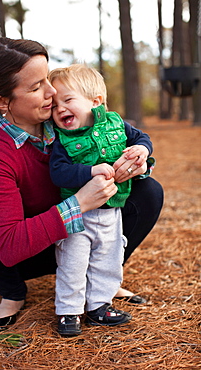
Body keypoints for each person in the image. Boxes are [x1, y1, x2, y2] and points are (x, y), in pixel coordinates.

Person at [0, 37, 163, 334]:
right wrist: (79, 204)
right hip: (32, 247)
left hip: (88, 235)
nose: (52, 91)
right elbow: (9, 246)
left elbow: (115, 140)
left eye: (47, 79)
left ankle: (102, 279)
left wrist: (135, 165)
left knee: (149, 191)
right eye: (36, 86)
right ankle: (12, 293)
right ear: (2, 102)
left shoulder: (65, 116)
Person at [48, 64, 154, 336]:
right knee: (73, 263)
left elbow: (141, 138)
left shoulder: (116, 123)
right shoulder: (61, 139)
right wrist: (90, 171)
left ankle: (99, 307)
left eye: (68, 100)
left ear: (95, 102)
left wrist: (142, 150)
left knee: (109, 259)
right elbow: (58, 172)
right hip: (77, 216)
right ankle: (68, 311)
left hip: (111, 212)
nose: (60, 109)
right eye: (55, 105)